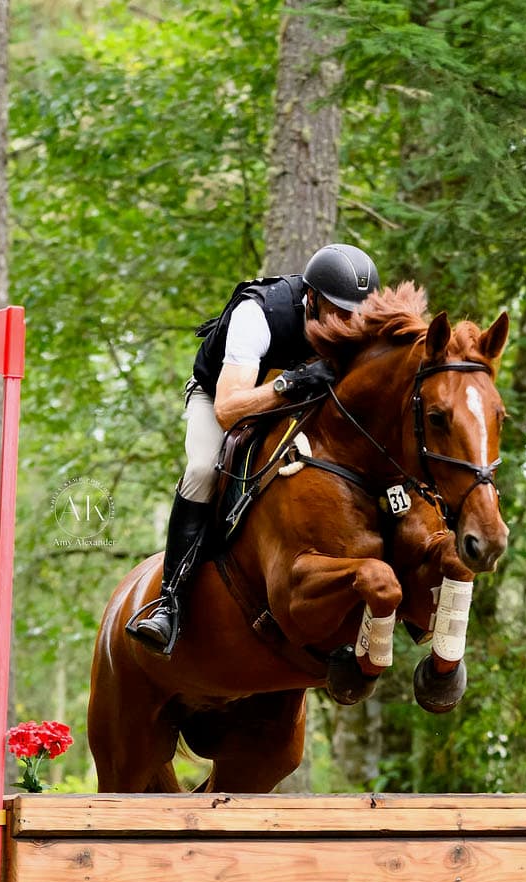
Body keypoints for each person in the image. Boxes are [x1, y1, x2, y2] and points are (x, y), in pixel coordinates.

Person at [127, 243, 381, 654]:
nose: (350, 325)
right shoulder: (259, 313)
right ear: (312, 299)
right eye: (339, 312)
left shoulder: (357, 320)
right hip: (220, 398)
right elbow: (230, 410)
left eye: (358, 314)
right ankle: (169, 601)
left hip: (296, 406)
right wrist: (292, 383)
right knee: (204, 469)